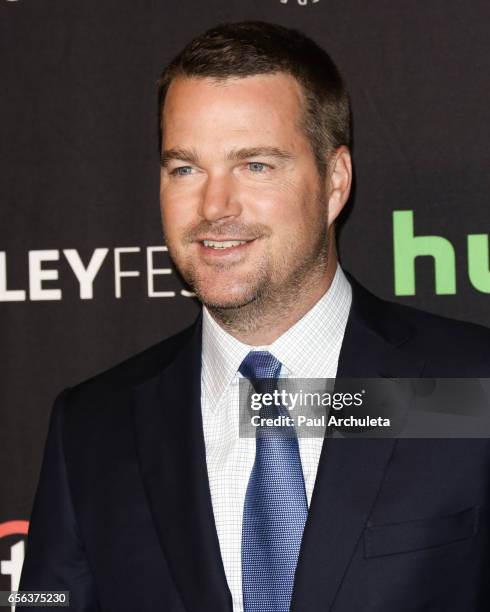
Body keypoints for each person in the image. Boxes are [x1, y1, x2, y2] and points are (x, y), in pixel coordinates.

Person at [20, 21, 490, 612]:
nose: (215, 206)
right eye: (185, 168)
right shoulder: (93, 427)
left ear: (334, 182)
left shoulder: (469, 390)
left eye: (256, 165)